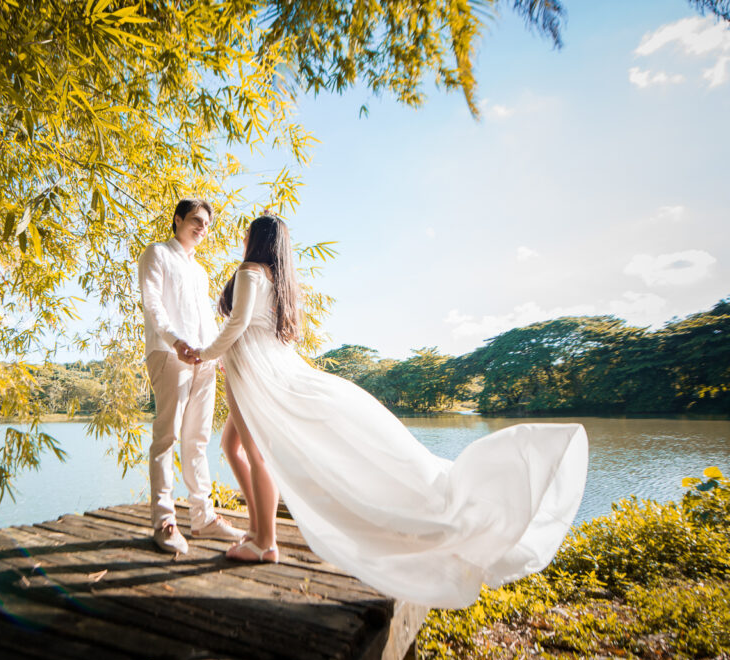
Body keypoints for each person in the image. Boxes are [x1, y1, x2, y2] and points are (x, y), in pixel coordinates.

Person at [186, 213, 589, 609]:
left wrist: (203, 354)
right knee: (234, 445)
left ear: (255, 239)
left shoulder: (249, 272)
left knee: (252, 451)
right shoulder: (278, 280)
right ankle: (259, 533)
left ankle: (265, 541)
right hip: (260, 364)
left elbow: (237, 325)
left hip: (254, 368)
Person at [137, 198, 246, 554]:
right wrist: (175, 340)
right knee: (167, 436)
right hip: (169, 354)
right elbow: (153, 303)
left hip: (203, 359)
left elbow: (207, 319)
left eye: (207, 224)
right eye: (196, 220)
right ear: (178, 219)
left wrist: (218, 353)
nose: (202, 228)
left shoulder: (200, 271)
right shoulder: (156, 253)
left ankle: (202, 517)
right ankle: (164, 521)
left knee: (197, 440)